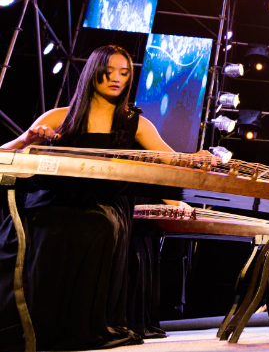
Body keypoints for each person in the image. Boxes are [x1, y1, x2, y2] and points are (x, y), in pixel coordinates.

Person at [0, 45, 182, 350]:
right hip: (55, 199)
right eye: (108, 71)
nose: (116, 79)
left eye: (124, 73)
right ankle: (39, 324)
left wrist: (196, 163)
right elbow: (5, 154)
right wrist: (26, 139)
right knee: (44, 226)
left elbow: (171, 161)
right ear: (91, 73)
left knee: (96, 225)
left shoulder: (135, 122)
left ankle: (80, 325)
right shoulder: (59, 117)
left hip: (105, 203)